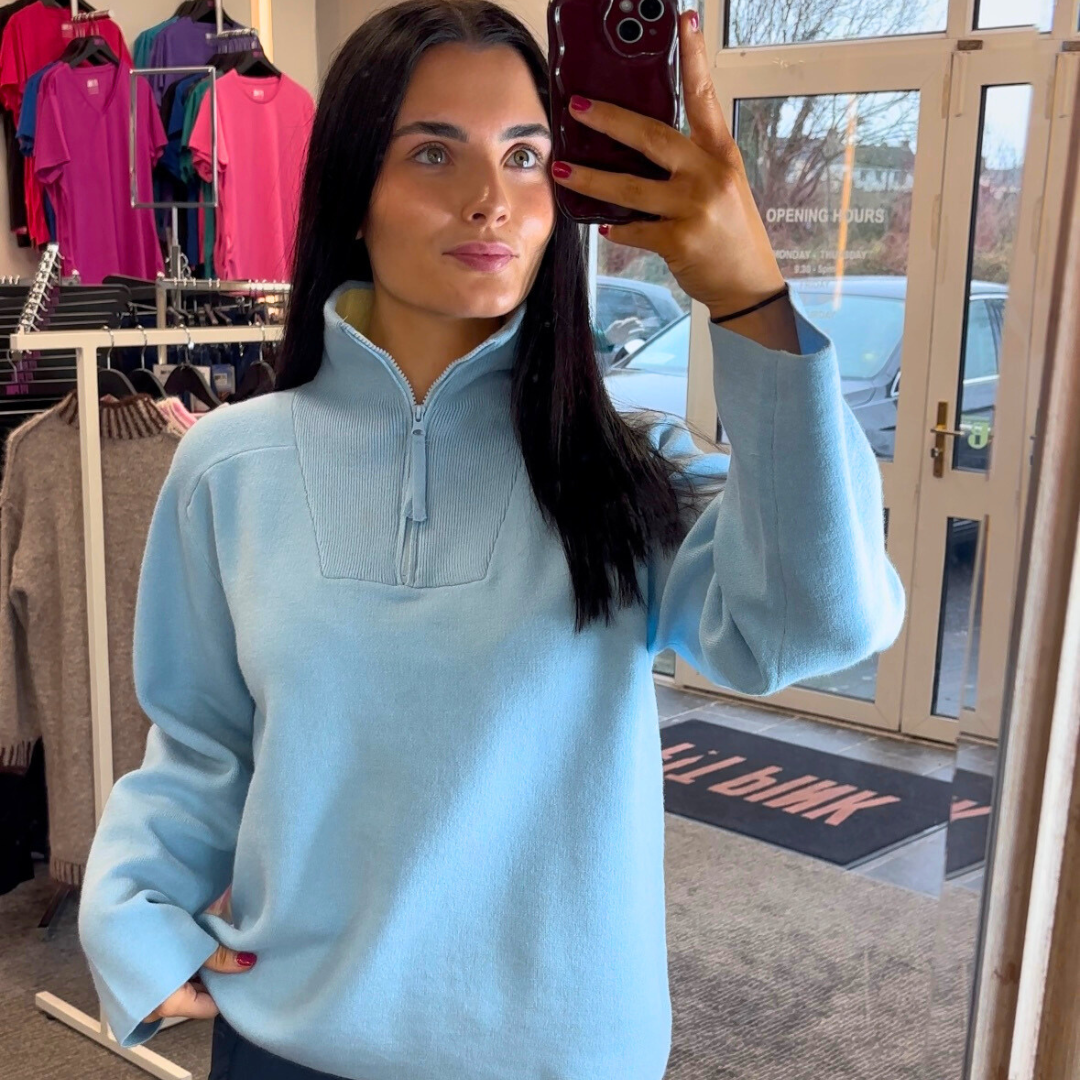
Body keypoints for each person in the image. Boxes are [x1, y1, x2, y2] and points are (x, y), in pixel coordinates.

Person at [76, 2, 906, 1078]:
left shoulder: (622, 471)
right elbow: (203, 743)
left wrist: (753, 301)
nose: (491, 198)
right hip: (290, 1044)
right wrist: (136, 919)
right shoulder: (229, 464)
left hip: (564, 1058)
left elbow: (817, 621)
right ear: (354, 193)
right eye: (434, 152)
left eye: (524, 156)